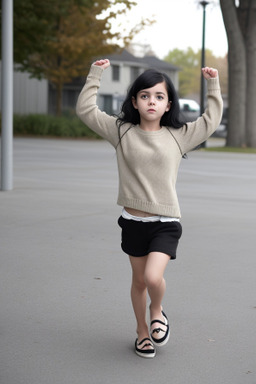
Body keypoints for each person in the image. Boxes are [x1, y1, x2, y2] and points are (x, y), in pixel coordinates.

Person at [76, 59, 223, 359]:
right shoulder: (121, 132)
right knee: (139, 281)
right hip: (132, 221)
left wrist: (213, 84)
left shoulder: (178, 136)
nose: (151, 101)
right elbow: (86, 110)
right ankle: (141, 331)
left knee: (154, 279)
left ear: (168, 104)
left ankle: (157, 311)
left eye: (159, 96)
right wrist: (96, 74)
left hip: (166, 222)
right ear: (135, 101)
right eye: (145, 96)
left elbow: (211, 120)